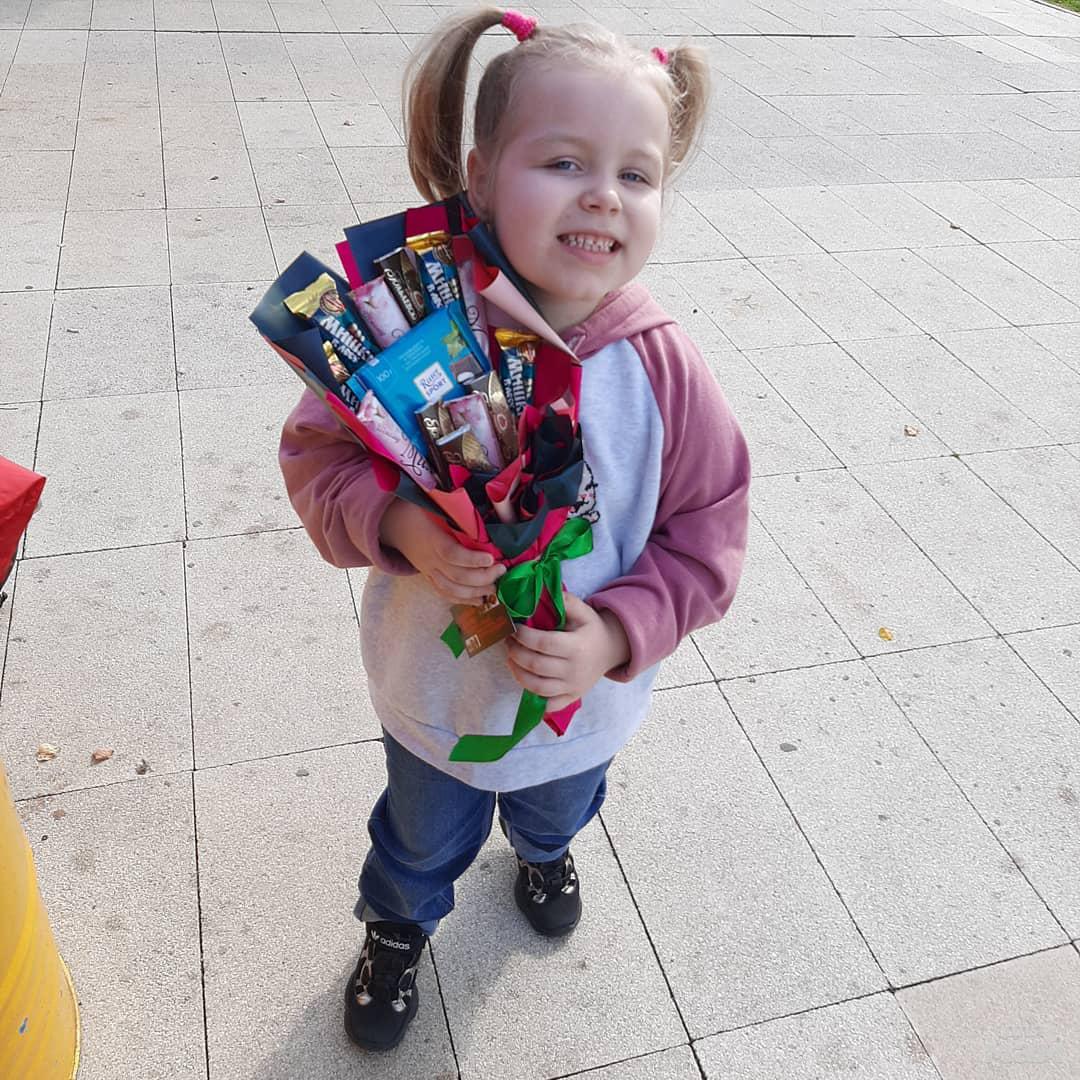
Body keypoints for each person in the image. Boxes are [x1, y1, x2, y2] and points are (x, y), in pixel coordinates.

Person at [278, 6, 750, 1053]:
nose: (603, 194)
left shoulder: (664, 366)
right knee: (418, 840)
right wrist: (399, 525)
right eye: (564, 161)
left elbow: (710, 532)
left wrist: (617, 632)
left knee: (558, 806)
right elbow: (317, 457)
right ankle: (397, 927)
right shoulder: (409, 327)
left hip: (582, 703)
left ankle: (543, 852)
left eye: (637, 174)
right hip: (438, 698)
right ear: (482, 175)